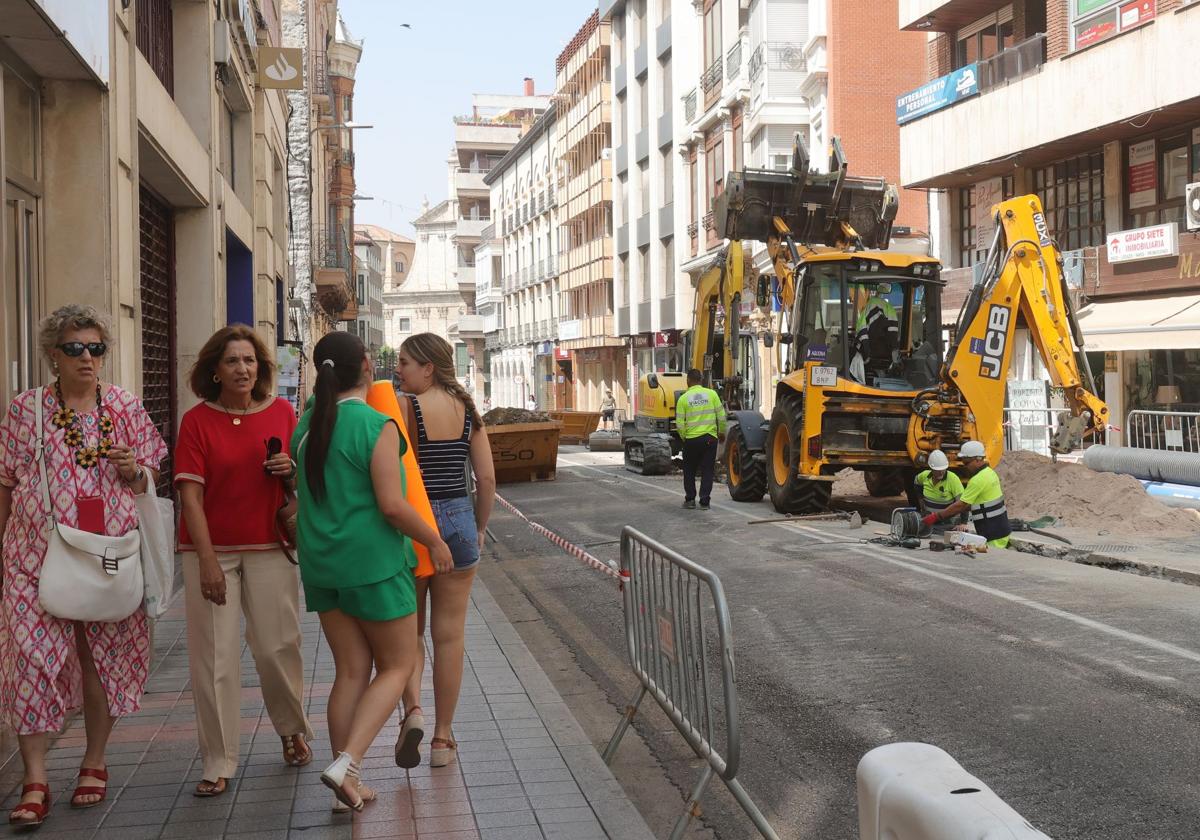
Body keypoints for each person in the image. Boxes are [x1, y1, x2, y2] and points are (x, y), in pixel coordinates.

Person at [0, 305, 167, 828]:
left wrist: (133, 471)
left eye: (96, 347)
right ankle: (35, 777)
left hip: (109, 555)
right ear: (54, 355)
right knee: (28, 661)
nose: (88, 358)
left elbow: (149, 479)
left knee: (103, 659)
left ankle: (94, 761)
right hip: (34, 557)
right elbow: (5, 485)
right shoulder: (25, 411)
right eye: (75, 348)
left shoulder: (123, 406)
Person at [293, 331, 453, 811]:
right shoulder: (377, 424)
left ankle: (347, 787)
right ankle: (349, 763)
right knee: (399, 665)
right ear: (367, 366)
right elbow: (391, 505)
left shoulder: (306, 425)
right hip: (375, 566)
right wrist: (434, 539)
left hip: (323, 567)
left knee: (350, 672)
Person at [174, 325, 314, 798]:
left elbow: (301, 479)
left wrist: (289, 470)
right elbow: (190, 498)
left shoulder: (282, 412)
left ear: (262, 367)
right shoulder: (196, 421)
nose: (242, 369)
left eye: (250, 361)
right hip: (210, 552)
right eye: (232, 361)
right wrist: (209, 561)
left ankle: (291, 728)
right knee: (214, 658)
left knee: (278, 647)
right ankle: (218, 759)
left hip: (269, 545)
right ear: (214, 370)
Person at [395, 333, 496, 769]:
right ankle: (441, 738)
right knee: (450, 636)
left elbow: (399, 470)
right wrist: (479, 527)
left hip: (416, 525)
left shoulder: (404, 406)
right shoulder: (468, 409)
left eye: (404, 363)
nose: (398, 370)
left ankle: (413, 712)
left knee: (409, 633)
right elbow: (487, 480)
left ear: (427, 367)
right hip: (458, 519)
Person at [922, 440, 1011, 548]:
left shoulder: (978, 480)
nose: (965, 466)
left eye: (967, 463)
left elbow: (961, 505)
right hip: (1001, 530)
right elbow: (970, 505)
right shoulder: (990, 473)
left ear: (978, 459)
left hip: (993, 535)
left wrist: (937, 516)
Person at [675, 369, 726, 511]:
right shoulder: (712, 394)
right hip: (709, 439)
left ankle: (690, 500)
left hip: (691, 440)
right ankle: (704, 502)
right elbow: (721, 417)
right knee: (707, 470)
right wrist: (721, 433)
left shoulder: (683, 399)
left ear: (688, 381)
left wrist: (685, 437)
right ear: (701, 380)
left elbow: (679, 424)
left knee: (689, 470)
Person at [913, 449, 964, 527]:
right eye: (937, 470)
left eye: (943, 469)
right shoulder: (924, 476)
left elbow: (963, 503)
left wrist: (963, 523)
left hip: (947, 522)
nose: (941, 472)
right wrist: (921, 502)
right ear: (931, 468)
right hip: (929, 519)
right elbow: (916, 483)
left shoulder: (953, 479)